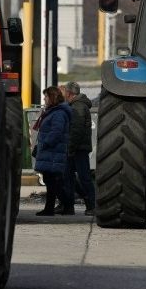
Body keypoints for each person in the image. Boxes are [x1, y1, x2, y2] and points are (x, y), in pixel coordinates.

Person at [32, 86, 72, 216]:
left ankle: (56, 207)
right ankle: (64, 206)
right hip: (50, 151)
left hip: (53, 151)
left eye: (46, 96)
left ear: (52, 97)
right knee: (52, 181)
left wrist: (45, 144)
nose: (44, 98)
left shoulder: (58, 113)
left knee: (53, 181)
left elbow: (57, 132)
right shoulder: (52, 112)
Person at [61, 81, 96, 216]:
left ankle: (92, 205)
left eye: (64, 92)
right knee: (68, 176)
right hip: (76, 147)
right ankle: (68, 206)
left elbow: (76, 130)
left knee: (84, 177)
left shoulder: (78, 106)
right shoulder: (75, 105)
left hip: (78, 148)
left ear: (69, 93)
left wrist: (70, 147)